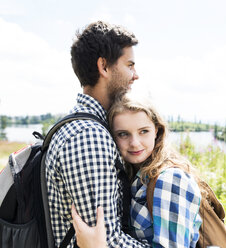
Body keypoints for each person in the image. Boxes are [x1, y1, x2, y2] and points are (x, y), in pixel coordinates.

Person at [45, 21, 149, 247]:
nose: (136, 75)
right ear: (104, 66)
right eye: (129, 65)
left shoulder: (85, 124)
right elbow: (107, 241)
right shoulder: (88, 136)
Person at [72, 94, 203, 247]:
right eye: (123, 134)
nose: (134, 143)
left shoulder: (169, 180)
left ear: (157, 131)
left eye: (143, 131)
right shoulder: (129, 177)